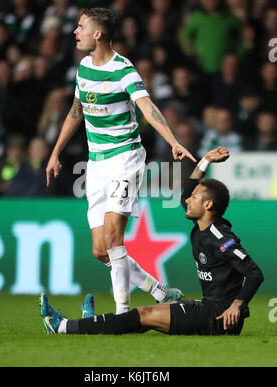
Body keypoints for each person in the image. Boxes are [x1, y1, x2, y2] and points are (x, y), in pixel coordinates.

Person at [46, 7, 196, 315]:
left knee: (114, 239)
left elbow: (147, 106)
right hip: (96, 164)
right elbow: (76, 111)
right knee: (101, 251)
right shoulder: (84, 67)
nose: (75, 32)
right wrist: (55, 152)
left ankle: (123, 314)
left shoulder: (124, 70)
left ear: (97, 34)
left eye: (81, 27)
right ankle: (159, 291)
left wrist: (173, 142)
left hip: (125, 158)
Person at [40, 147, 264, 336]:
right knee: (143, 317)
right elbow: (186, 192)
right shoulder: (203, 227)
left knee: (144, 315)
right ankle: (94, 323)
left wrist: (237, 305)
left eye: (194, 197)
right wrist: (205, 160)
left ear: (207, 206)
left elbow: (254, 273)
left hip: (219, 319)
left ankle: (61, 326)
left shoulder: (219, 237)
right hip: (209, 309)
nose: (187, 199)